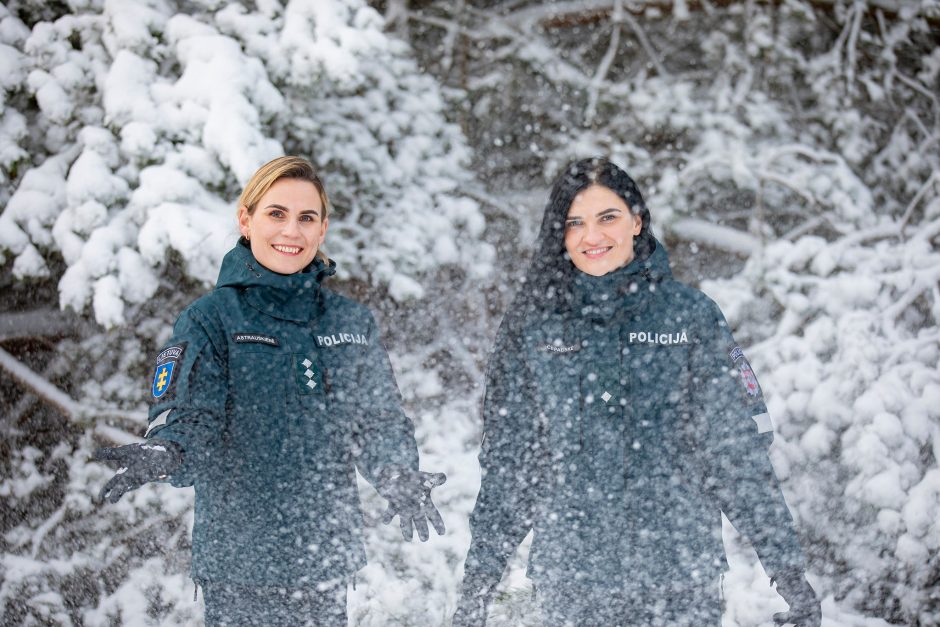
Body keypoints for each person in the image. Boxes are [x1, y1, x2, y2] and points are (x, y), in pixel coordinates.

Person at [453, 158, 821, 626]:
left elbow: (734, 453)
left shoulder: (689, 318)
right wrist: (479, 583)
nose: (592, 236)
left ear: (637, 221)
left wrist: (787, 571)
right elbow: (511, 465)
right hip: (572, 584)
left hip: (680, 582)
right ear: (559, 235)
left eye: (607, 217)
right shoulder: (532, 327)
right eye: (575, 223)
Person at [94, 156, 447, 626]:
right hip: (239, 566)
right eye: (276, 214)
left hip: (324, 557)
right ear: (246, 219)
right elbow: (192, 416)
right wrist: (169, 451)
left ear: (322, 230)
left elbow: (375, 420)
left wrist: (396, 471)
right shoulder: (211, 319)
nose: (292, 231)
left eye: (307, 218)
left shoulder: (349, 323)